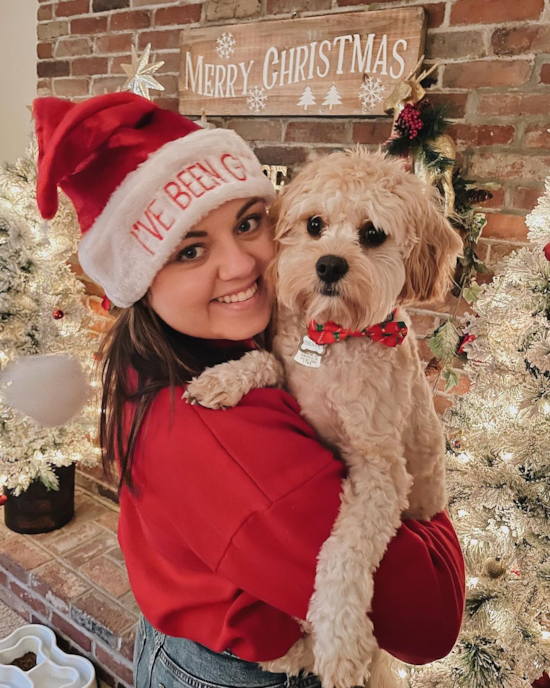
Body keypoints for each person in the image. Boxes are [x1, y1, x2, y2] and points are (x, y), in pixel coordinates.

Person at [34, 92, 465, 688]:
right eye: (189, 250)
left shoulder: (198, 348)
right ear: (138, 277)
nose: (240, 266)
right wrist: (439, 528)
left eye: (247, 223)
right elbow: (431, 619)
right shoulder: (224, 438)